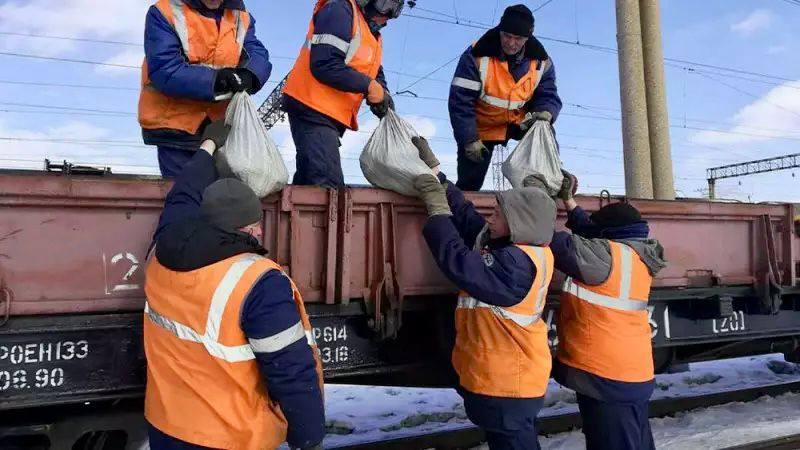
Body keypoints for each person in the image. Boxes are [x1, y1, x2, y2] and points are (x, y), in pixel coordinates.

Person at [143, 120, 325, 450]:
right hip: (228, 437)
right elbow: (290, 369)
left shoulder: (163, 249)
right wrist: (308, 436)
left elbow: (182, 194)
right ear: (251, 229)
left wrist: (208, 147)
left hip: (166, 426)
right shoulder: (258, 282)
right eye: (256, 225)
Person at [411, 137, 556, 450]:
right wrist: (439, 176)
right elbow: (466, 216)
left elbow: (459, 262)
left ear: (520, 223)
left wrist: (436, 211)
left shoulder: (517, 264)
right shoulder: (517, 248)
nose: (490, 219)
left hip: (508, 386)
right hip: (505, 382)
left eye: (498, 215)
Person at [550, 172, 667, 450]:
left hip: (605, 374)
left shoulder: (606, 256)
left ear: (608, 236)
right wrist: (568, 201)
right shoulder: (635, 252)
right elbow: (591, 233)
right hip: (629, 371)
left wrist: (536, 197)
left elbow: (552, 239)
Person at [139, 0, 272, 177]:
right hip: (176, 129)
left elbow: (256, 53)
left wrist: (251, 74)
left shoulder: (241, 17)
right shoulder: (164, 12)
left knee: (223, 199)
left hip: (221, 129)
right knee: (186, 195)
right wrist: (218, 79)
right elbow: (164, 68)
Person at [282, 0, 403, 187]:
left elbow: (373, 70)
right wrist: (369, 86)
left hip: (327, 112)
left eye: (396, 8)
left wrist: (383, 95)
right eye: (384, 3)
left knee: (310, 180)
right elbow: (325, 64)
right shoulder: (339, 10)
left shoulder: (372, 36)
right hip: (311, 105)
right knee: (326, 185)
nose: (388, 13)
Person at [448, 4, 562, 191]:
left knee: (544, 133)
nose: (511, 43)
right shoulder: (476, 55)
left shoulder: (542, 62)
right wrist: (468, 139)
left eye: (518, 38)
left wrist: (546, 112)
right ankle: (464, 211)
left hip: (520, 123)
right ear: (500, 30)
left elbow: (547, 93)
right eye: (507, 36)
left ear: (528, 37)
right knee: (470, 182)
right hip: (481, 129)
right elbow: (460, 101)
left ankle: (550, 186)